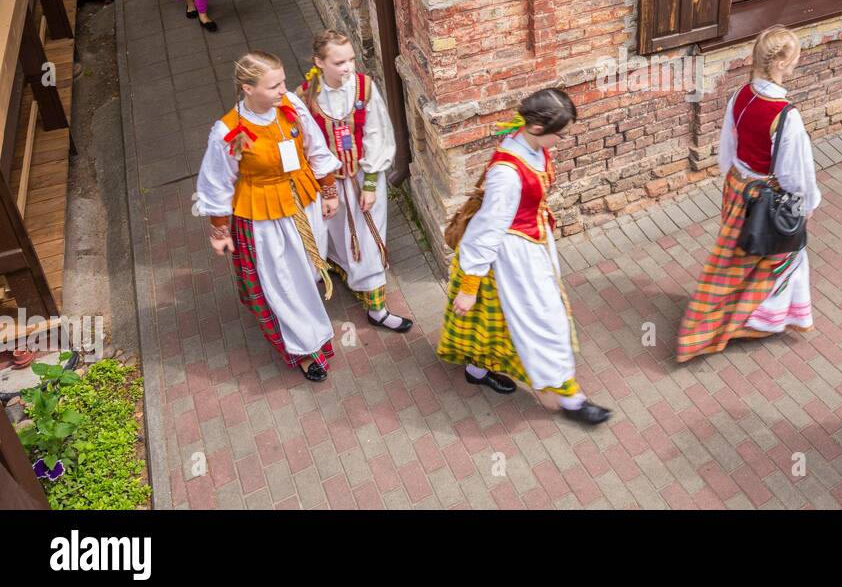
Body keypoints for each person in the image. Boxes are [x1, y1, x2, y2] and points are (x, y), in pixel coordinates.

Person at [435, 88, 612, 425]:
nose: (561, 140)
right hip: (511, 254)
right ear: (535, 129)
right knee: (546, 322)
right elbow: (488, 228)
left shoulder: (528, 144)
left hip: (531, 243)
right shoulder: (507, 173)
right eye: (559, 134)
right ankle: (570, 397)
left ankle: (476, 369)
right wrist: (470, 284)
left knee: (495, 318)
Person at [676, 25, 821, 362]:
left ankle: (744, 314)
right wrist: (807, 202)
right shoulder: (786, 116)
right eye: (795, 59)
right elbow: (794, 170)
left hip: (739, 188)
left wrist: (732, 179)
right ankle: (757, 320)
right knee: (781, 257)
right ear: (781, 64)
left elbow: (728, 145)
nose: (797, 64)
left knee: (738, 257)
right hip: (766, 198)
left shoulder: (741, 94)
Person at [195, 51, 342, 382]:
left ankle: (306, 316)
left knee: (307, 269)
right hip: (265, 217)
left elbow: (315, 147)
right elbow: (217, 182)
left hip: (304, 202)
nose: (283, 90)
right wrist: (220, 231)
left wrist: (329, 190)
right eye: (273, 85)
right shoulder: (232, 133)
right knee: (285, 282)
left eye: (283, 82)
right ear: (248, 88)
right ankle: (306, 349)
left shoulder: (289, 105)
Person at [297, 30, 412, 333]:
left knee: (369, 237)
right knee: (335, 232)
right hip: (327, 185)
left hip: (362, 176)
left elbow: (378, 133)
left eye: (350, 59)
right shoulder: (304, 98)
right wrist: (326, 190)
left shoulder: (364, 87)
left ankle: (377, 307)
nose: (348, 67)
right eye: (339, 62)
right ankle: (342, 267)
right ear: (319, 62)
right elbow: (305, 148)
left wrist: (372, 184)